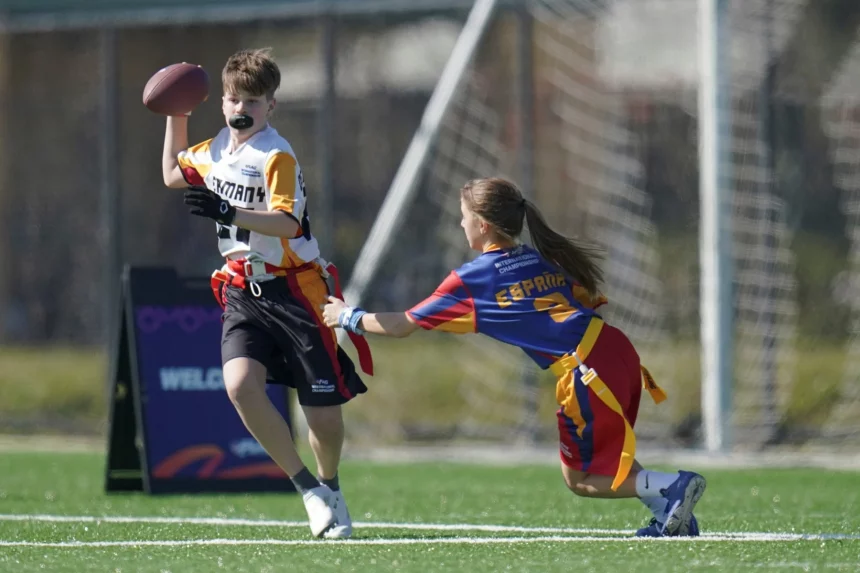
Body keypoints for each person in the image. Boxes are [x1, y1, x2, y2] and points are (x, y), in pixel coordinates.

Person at [322, 177, 705, 537]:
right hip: (615, 349)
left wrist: (347, 316)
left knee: (581, 479)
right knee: (606, 454)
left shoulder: (472, 279)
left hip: (586, 368)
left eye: (464, 216)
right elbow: (582, 299)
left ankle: (672, 485)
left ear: (483, 224)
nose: (460, 223)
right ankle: (671, 515)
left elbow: (402, 325)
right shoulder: (537, 258)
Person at [160, 48, 372, 539]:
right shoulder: (216, 149)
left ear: (271, 106)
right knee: (239, 385)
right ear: (222, 102)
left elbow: (286, 222)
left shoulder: (275, 154)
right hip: (242, 289)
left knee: (323, 417)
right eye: (234, 98)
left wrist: (228, 212)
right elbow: (172, 174)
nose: (242, 108)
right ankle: (308, 490)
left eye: (252, 101)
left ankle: (330, 485)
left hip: (296, 291)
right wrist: (176, 112)